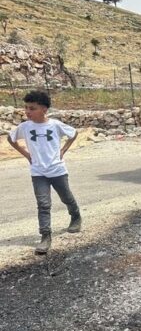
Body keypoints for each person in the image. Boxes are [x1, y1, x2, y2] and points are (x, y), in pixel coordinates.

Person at [7, 90, 82, 255]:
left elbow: (73, 133)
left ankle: (75, 216)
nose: (27, 111)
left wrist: (63, 150)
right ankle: (45, 236)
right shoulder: (25, 127)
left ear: (44, 110)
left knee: (66, 197)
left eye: (32, 108)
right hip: (38, 171)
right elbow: (10, 139)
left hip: (57, 170)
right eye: (26, 108)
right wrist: (27, 155)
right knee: (43, 204)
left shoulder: (54, 125)